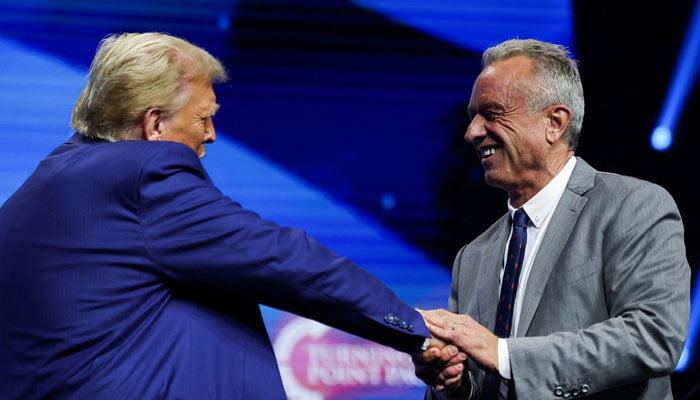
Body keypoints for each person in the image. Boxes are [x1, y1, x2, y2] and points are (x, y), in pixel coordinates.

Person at [0, 32, 448, 399]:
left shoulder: (38, 189)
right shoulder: (141, 174)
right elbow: (282, 260)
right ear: (154, 124)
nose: (211, 136)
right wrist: (418, 330)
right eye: (204, 118)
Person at [412, 38, 691, 399]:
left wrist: (501, 353)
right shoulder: (472, 257)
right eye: (472, 117)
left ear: (555, 123)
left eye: (492, 113)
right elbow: (483, 382)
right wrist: (456, 384)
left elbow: (654, 337)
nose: (472, 132)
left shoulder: (633, 206)